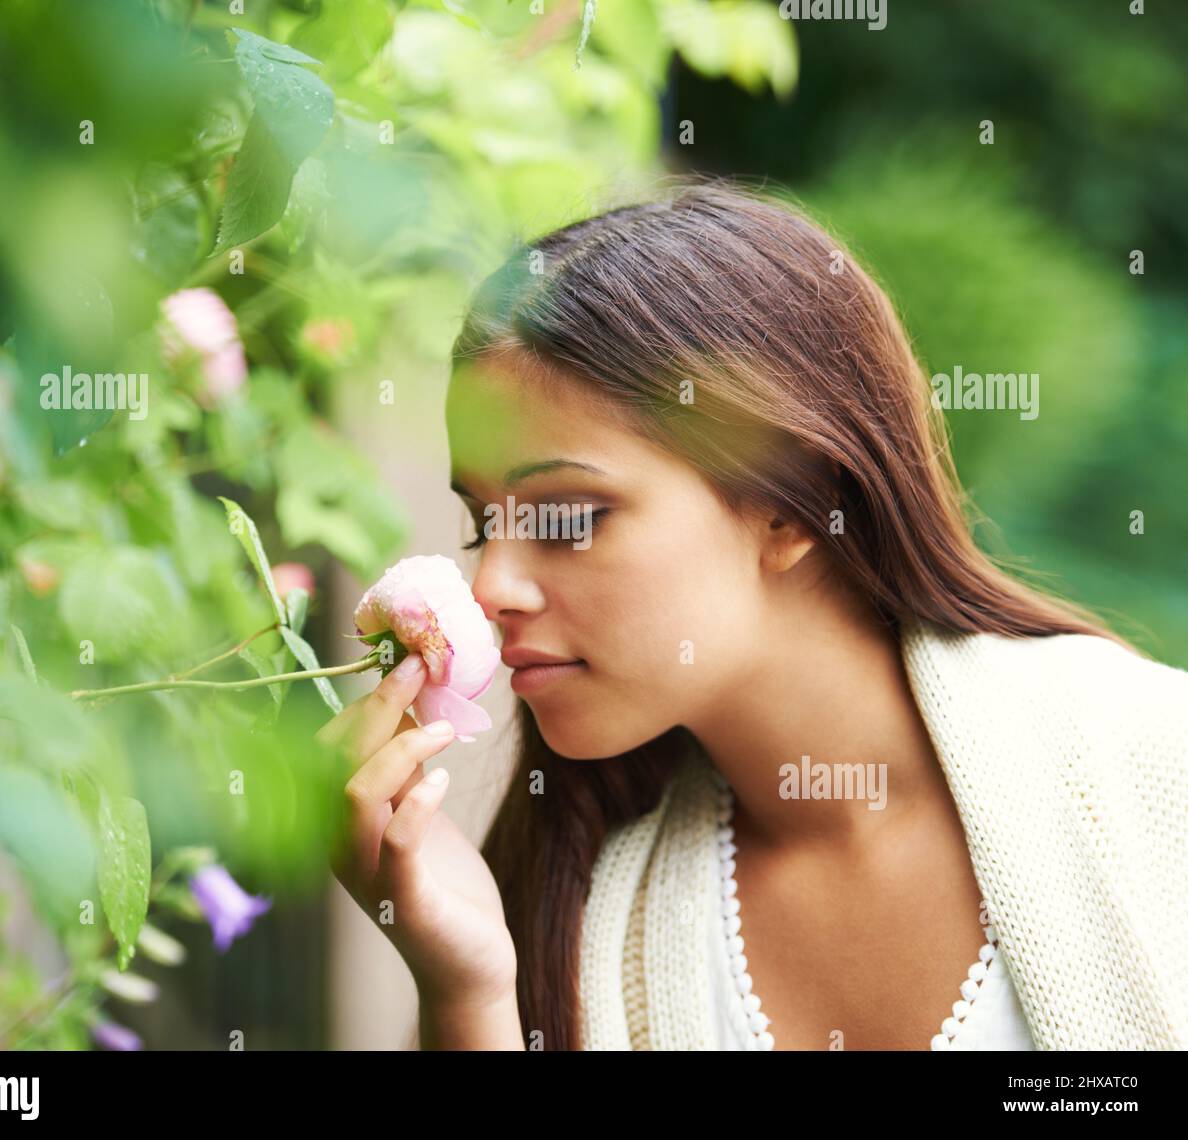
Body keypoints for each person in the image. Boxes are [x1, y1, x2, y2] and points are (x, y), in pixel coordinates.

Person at [324, 175, 1188, 1051]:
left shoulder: (1154, 770)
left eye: (568, 518)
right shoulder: (565, 897)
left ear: (794, 503)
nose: (490, 587)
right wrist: (468, 994)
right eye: (482, 524)